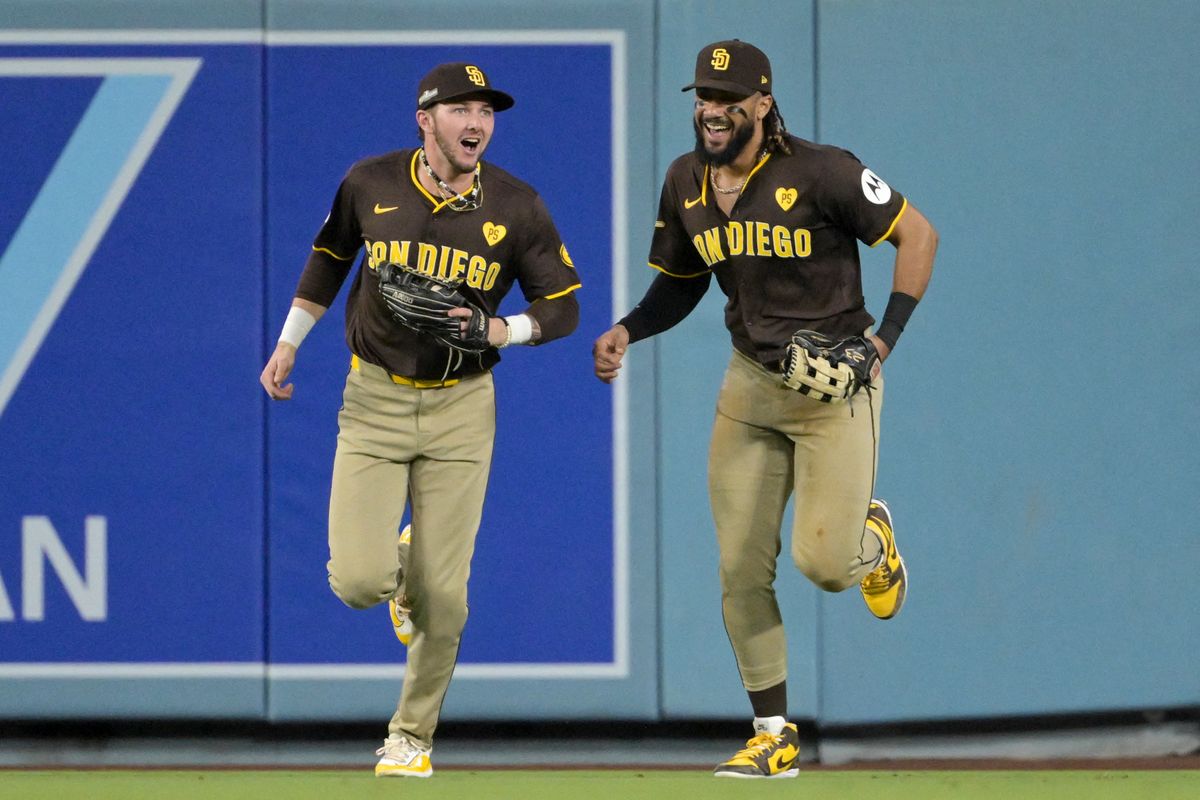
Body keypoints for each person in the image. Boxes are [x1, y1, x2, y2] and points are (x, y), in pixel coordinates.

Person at [593, 40, 937, 778]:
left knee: (824, 564)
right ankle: (773, 734)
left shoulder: (822, 171)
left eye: (727, 99)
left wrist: (884, 342)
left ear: (762, 103)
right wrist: (628, 328)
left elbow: (919, 234)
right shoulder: (685, 178)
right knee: (740, 567)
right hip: (750, 388)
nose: (711, 111)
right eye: (702, 97)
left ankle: (870, 545)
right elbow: (683, 281)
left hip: (835, 390)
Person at [260, 61, 581, 778]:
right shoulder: (369, 183)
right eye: (461, 110)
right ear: (424, 120)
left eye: (487, 112)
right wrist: (288, 343)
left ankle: (410, 735)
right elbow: (328, 260)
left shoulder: (516, 204)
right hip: (373, 399)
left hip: (463, 406)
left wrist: (506, 332)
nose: (477, 124)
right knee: (359, 582)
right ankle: (403, 569)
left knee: (448, 596)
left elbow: (564, 304)